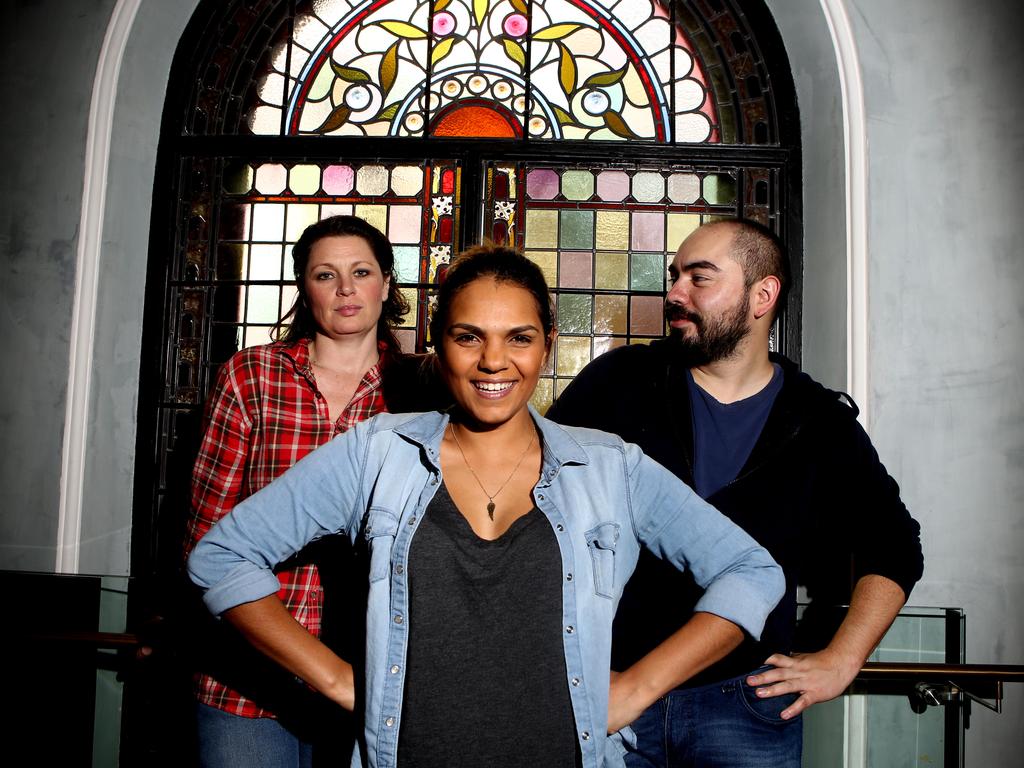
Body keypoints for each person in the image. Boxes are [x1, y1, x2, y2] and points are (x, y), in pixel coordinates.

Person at [187, 244, 785, 768]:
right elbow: (220, 557)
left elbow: (752, 572)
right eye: (468, 336)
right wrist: (339, 680)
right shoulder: (376, 453)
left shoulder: (610, 467)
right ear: (437, 345)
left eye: (518, 338)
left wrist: (636, 688)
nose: (493, 361)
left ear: (548, 346)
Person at [547, 219, 924, 767]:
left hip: (747, 706)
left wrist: (843, 659)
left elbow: (893, 547)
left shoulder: (818, 421)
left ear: (762, 295)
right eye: (675, 276)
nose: (675, 293)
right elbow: (537, 494)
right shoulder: (621, 382)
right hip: (610, 689)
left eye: (700, 278)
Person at [184, 215, 445, 767]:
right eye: (326, 275)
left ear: (386, 284)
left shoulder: (422, 391)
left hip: (372, 677)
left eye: (361, 272)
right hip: (249, 675)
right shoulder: (253, 376)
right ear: (305, 287)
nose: (346, 288)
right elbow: (205, 533)